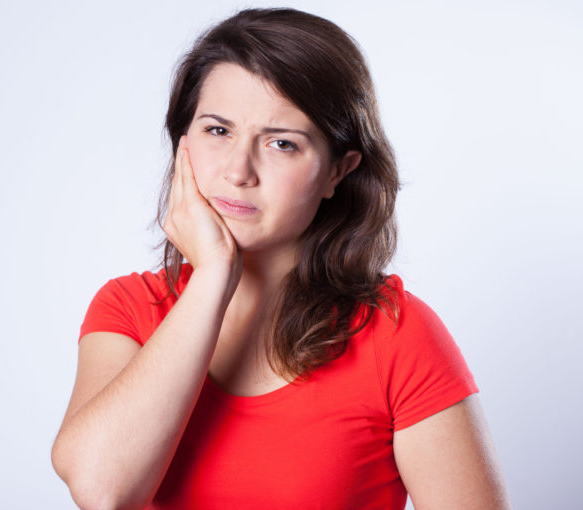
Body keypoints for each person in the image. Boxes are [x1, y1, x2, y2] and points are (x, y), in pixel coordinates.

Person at [51, 8, 510, 509]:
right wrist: (212, 278)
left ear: (339, 170)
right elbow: (101, 490)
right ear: (183, 143)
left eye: (282, 143)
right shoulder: (129, 310)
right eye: (218, 131)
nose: (238, 171)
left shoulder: (397, 335)